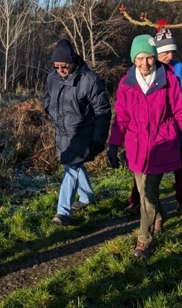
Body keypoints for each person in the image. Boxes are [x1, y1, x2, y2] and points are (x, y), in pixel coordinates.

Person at [107, 34, 182, 258]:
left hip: (162, 143)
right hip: (136, 145)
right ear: (133, 59)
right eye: (140, 58)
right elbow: (121, 117)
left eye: (149, 58)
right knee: (142, 191)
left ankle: (144, 239)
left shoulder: (168, 79)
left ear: (155, 58)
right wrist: (113, 145)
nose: (145, 63)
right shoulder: (126, 83)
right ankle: (159, 217)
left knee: (148, 193)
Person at [123, 21, 182, 215]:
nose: (170, 56)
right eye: (165, 52)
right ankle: (137, 201)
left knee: (180, 165)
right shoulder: (144, 70)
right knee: (142, 166)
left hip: (176, 129)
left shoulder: (181, 69)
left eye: (172, 52)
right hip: (151, 131)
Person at [44, 39, 111, 226]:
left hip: (83, 132)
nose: (60, 70)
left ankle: (63, 212)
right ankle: (88, 196)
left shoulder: (90, 80)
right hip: (62, 131)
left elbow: (103, 110)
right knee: (72, 165)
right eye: (57, 66)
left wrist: (99, 139)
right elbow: (48, 96)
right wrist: (48, 107)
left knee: (72, 168)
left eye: (64, 66)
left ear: (73, 61)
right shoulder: (52, 77)